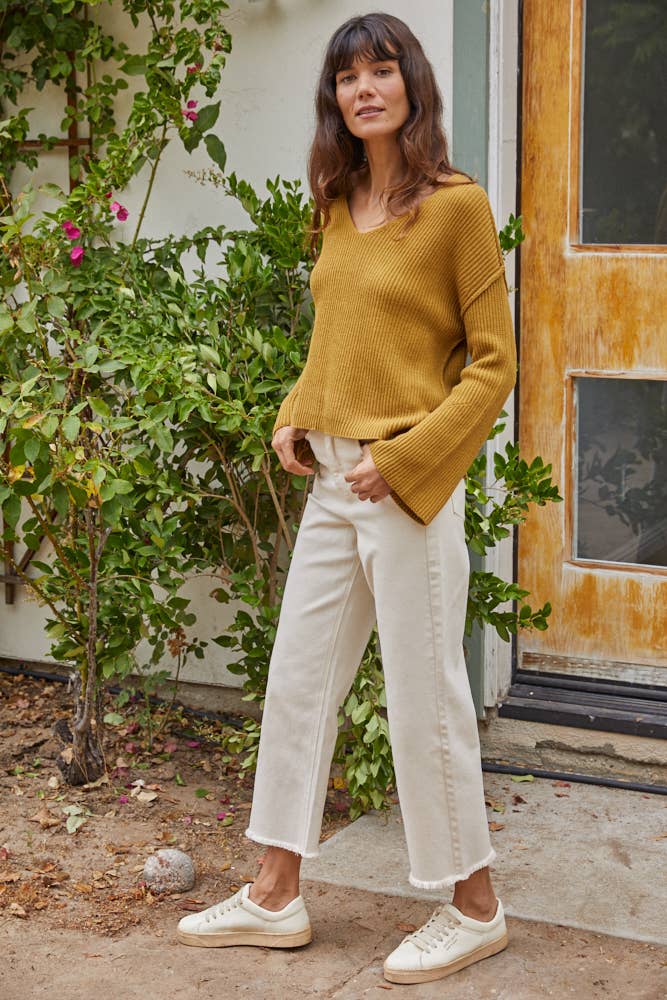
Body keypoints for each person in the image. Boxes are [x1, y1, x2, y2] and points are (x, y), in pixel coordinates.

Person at [177, 11, 517, 984]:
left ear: (412, 85)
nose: (364, 89)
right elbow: (340, 339)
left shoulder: (455, 208)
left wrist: (405, 460)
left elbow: (493, 366)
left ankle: (475, 907)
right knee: (297, 683)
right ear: (334, 97)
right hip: (331, 482)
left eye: (381, 70)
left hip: (406, 489)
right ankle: (274, 893)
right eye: (346, 76)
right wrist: (297, 410)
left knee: (423, 700)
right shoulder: (334, 201)